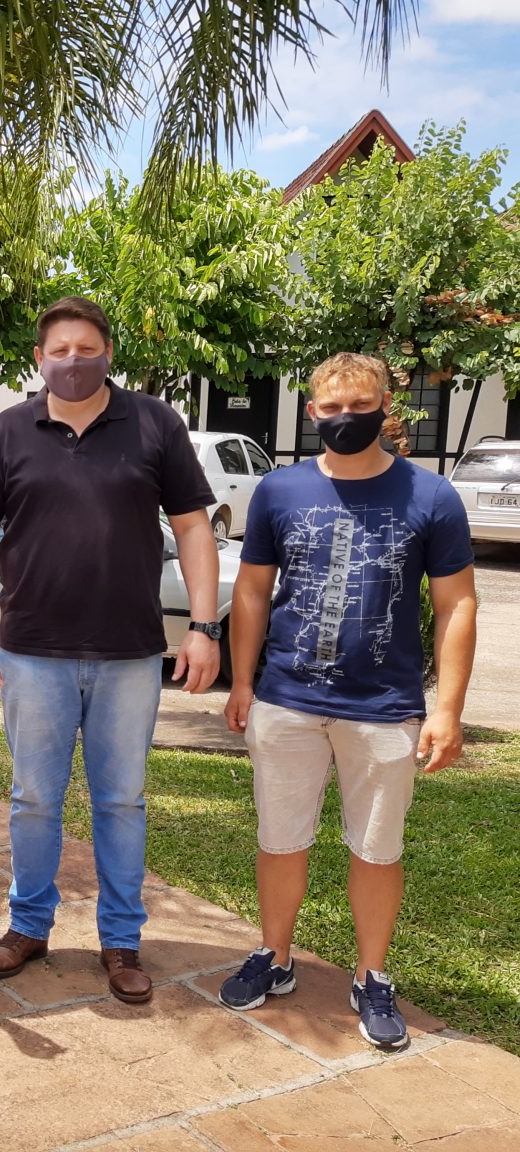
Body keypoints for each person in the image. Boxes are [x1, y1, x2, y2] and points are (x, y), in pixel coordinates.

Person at [0, 296, 221, 1004]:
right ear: (38, 359)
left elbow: (193, 528)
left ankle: (121, 940)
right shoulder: (8, 432)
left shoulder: (155, 424)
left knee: (122, 801)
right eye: (59, 351)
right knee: (33, 799)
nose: (72, 362)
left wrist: (204, 627)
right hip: (32, 652)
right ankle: (29, 926)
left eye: (86, 349)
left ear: (109, 352)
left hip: (129, 653)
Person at [220, 352, 477, 1050]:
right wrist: (242, 682)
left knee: (377, 849)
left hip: (385, 706)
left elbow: (456, 604)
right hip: (287, 699)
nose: (345, 418)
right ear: (312, 412)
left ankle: (371, 976)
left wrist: (447, 709)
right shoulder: (280, 490)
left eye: (360, 406)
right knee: (279, 840)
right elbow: (251, 589)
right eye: (331, 408)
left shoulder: (431, 496)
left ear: (385, 407)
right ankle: (275, 956)